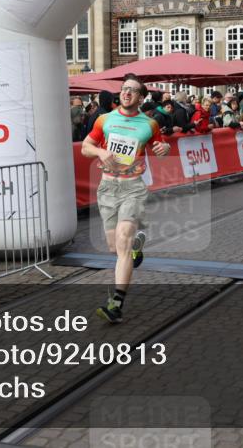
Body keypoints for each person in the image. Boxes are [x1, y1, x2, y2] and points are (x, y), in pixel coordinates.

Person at [82, 74, 170, 324]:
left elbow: (161, 149)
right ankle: (135, 248)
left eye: (132, 91)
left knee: (121, 245)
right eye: (124, 89)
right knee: (114, 247)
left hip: (133, 188)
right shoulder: (104, 119)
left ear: (141, 97)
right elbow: (85, 147)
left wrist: (166, 149)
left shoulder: (149, 124)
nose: (126, 93)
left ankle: (116, 303)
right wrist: (100, 150)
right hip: (107, 188)